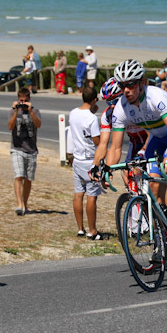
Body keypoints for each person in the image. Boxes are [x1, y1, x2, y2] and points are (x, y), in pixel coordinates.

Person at [100, 59, 167, 240]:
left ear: (142, 83)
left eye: (131, 85)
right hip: (157, 137)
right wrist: (107, 168)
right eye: (122, 85)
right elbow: (115, 147)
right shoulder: (121, 108)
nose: (126, 90)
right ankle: (163, 237)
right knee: (151, 183)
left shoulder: (156, 97)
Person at [69, 87, 102, 240]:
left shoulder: (73, 113)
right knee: (91, 196)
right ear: (95, 99)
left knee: (78, 193)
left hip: (77, 159)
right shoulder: (92, 119)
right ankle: (92, 230)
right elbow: (97, 141)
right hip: (89, 160)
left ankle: (80, 228)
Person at [8, 87, 42, 216]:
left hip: (31, 149)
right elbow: (10, 126)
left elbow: (38, 125)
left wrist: (30, 111)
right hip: (17, 148)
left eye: (25, 100)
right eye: (21, 100)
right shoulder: (13, 111)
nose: (23, 102)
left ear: (29, 100)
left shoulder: (35, 111)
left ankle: (25, 203)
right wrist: (15, 111)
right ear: (17, 99)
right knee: (19, 176)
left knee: (28, 179)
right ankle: (19, 204)